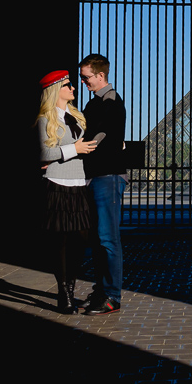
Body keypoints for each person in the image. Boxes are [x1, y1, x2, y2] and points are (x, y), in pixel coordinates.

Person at [36, 70, 97, 314]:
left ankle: (70, 286)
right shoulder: (44, 120)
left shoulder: (77, 118)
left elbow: (85, 148)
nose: (73, 88)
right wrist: (74, 149)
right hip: (57, 185)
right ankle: (64, 292)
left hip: (80, 186)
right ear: (55, 90)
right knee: (59, 242)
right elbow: (43, 154)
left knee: (80, 242)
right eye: (68, 84)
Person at [78, 54, 127, 316]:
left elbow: (98, 136)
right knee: (99, 239)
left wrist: (79, 149)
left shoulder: (110, 102)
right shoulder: (96, 102)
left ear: (100, 76)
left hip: (107, 176)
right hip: (98, 175)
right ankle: (101, 291)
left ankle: (112, 295)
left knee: (108, 238)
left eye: (86, 77)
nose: (84, 82)